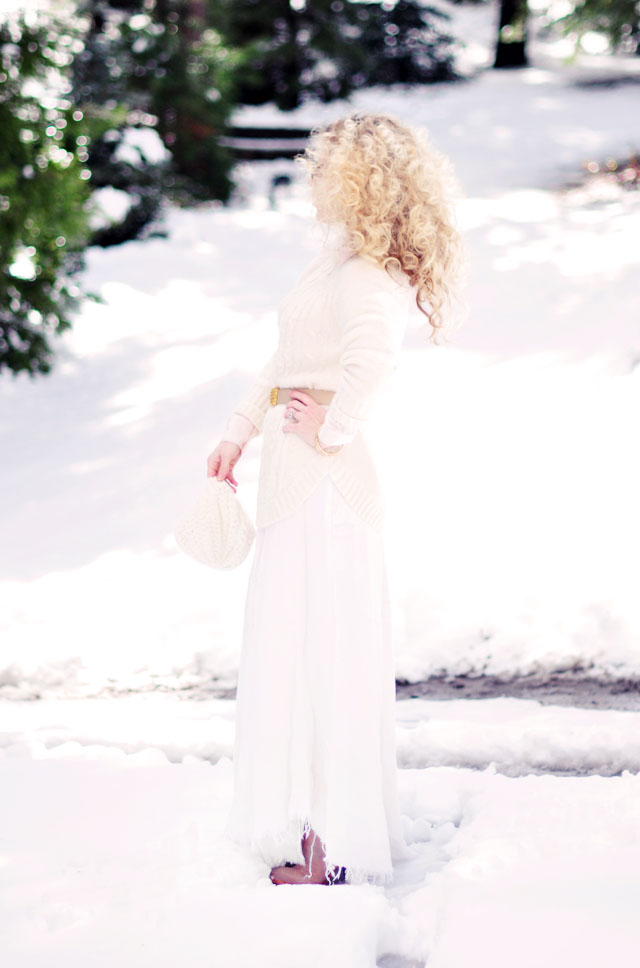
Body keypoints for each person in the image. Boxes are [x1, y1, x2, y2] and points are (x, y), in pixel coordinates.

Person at [207, 113, 463, 887]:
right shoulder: (335, 263)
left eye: (327, 166)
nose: (314, 177)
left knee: (325, 654)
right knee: (294, 648)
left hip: (326, 487)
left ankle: (334, 849)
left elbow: (372, 363)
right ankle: (315, 831)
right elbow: (286, 358)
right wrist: (240, 428)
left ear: (360, 180)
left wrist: (331, 429)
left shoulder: (365, 276)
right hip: (297, 477)